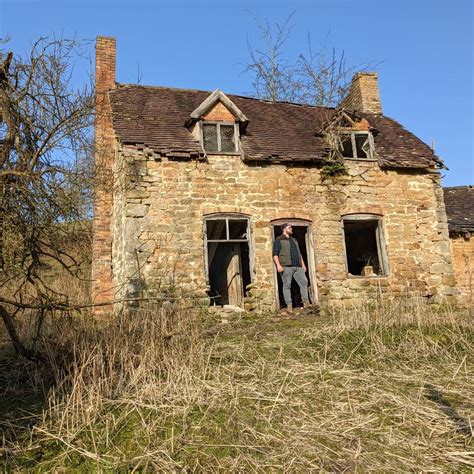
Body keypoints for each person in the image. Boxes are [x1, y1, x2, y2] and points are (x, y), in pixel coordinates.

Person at [272, 223, 312, 313]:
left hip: (298, 267)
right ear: (284, 229)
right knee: (287, 285)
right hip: (286, 267)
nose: (291, 228)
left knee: (304, 282)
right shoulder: (278, 240)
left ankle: (306, 303)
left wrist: (303, 265)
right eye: (289, 227)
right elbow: (275, 254)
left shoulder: (294, 240)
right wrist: (278, 265)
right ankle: (289, 306)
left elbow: (299, 253)